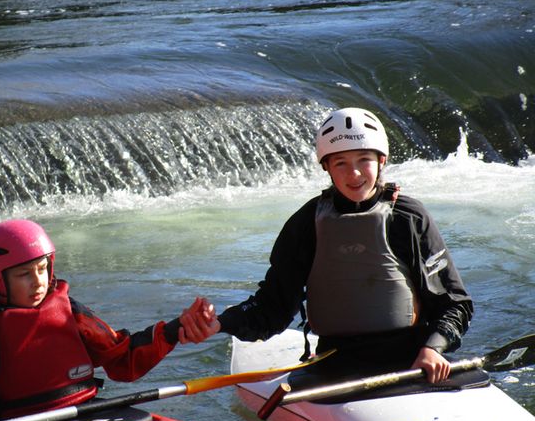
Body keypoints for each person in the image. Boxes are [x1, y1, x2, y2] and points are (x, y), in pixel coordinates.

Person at [181, 107, 473, 384]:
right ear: (326, 167)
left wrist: (434, 348)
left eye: (364, 160)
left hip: (411, 363)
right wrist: (219, 324)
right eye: (341, 162)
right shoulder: (306, 223)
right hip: (334, 364)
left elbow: (455, 304)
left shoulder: (408, 218)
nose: (354, 174)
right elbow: (272, 308)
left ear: (381, 161)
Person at [0, 219, 219, 421]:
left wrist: (174, 330)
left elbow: (123, 360)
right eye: (24, 274)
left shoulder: (70, 312)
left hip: (84, 413)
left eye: (42, 268)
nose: (38, 281)